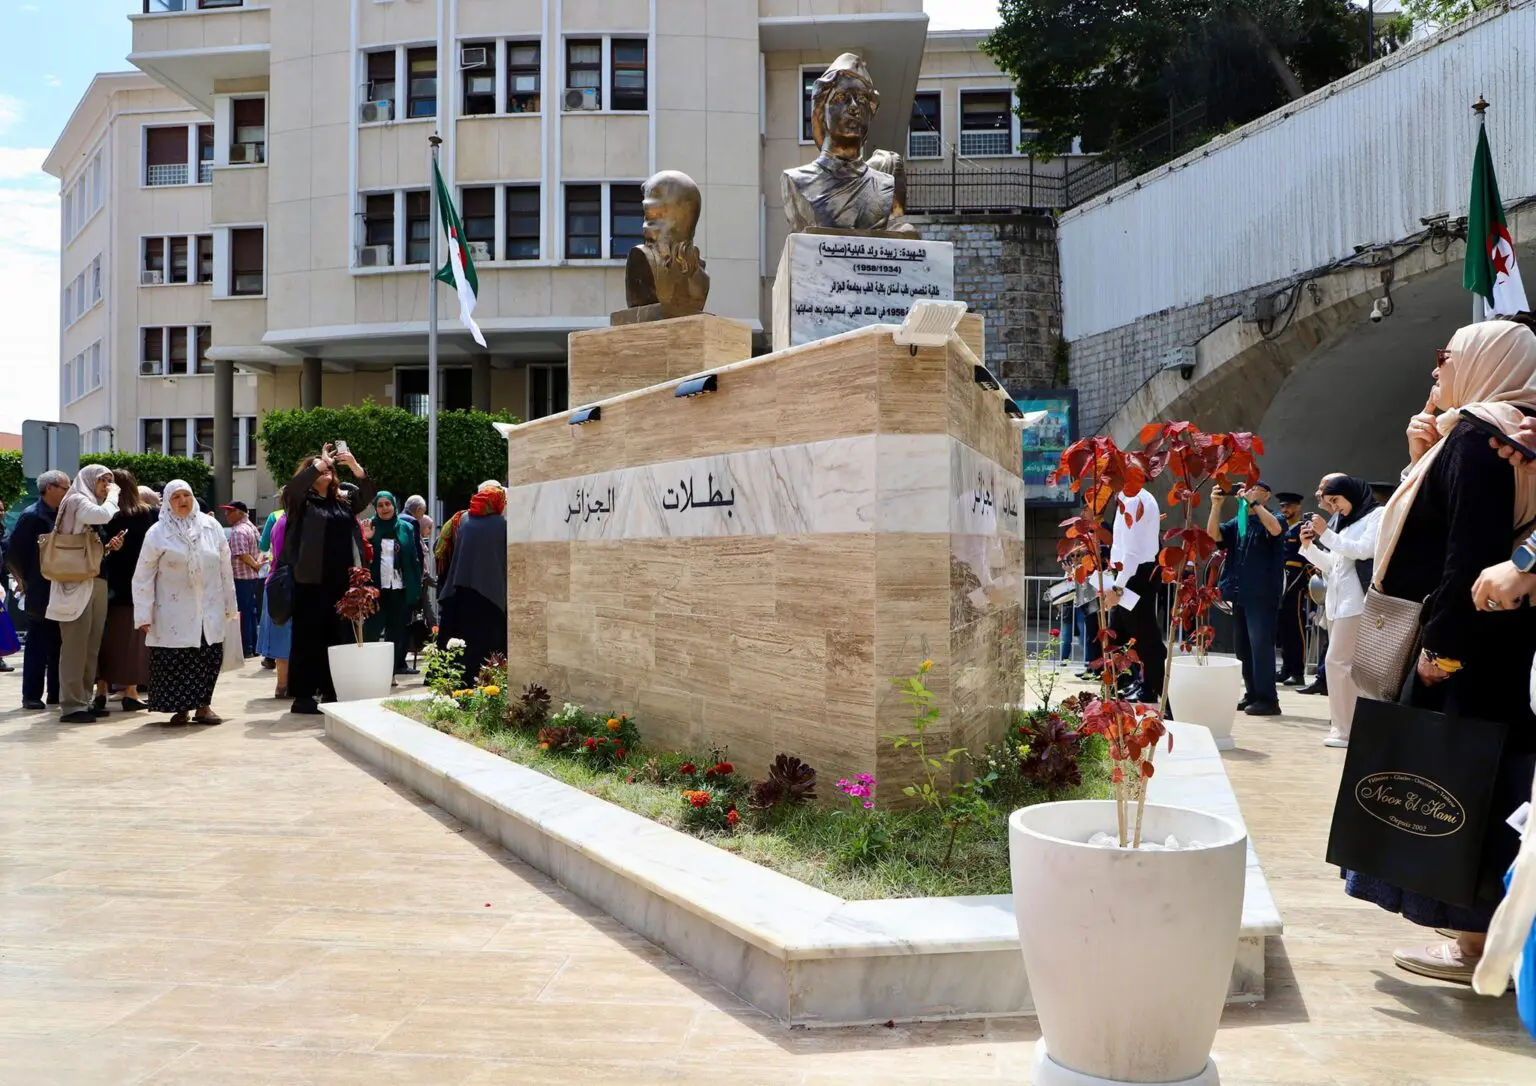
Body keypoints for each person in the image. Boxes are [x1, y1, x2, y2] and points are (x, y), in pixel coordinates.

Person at [1346, 319, 1536, 985]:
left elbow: (1464, 555)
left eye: (1444, 358)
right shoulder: (1503, 431)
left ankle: (1472, 945)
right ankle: (1479, 939)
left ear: (1483, 361)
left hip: (1472, 649)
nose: (1434, 371)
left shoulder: (1483, 438)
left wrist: (1442, 653)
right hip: (1505, 646)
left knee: (1463, 785)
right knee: (1491, 783)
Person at [133, 481, 238, 726]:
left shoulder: (211, 527)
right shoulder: (158, 532)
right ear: (168, 502)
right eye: (177, 496)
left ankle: (203, 707)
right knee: (175, 658)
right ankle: (180, 709)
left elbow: (225, 568)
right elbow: (143, 575)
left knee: (206, 656)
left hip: (208, 606)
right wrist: (143, 613)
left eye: (187, 495)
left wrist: (229, 605)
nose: (183, 501)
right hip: (171, 609)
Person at [282, 445, 375, 715]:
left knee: (337, 635)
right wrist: (319, 464)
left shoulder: (342, 501)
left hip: (340, 581)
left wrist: (356, 466)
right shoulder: (301, 501)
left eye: (329, 468)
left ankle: (332, 689)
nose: (327, 470)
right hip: (309, 581)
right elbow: (292, 489)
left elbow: (368, 494)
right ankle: (303, 695)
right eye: (321, 468)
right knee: (308, 637)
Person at [1298, 475, 1382, 748]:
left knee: (1336, 663)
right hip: (1337, 602)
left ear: (1352, 495)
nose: (1333, 507)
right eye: (1329, 501)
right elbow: (1332, 565)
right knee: (1344, 667)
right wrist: (1309, 546)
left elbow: (1364, 550)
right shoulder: (1342, 523)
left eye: (1336, 500)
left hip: (1356, 601)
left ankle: (1343, 729)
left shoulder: (1375, 515)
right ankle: (1350, 726)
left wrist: (1327, 534)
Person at [48, 466, 124, 724]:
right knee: (75, 647)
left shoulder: (88, 503)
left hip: (94, 581)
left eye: (109, 481)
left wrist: (108, 548)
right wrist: (114, 494)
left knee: (91, 647)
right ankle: (71, 705)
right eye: (102, 481)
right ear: (89, 480)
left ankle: (83, 700)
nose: (106, 485)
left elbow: (87, 549)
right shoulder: (78, 500)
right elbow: (103, 515)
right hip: (75, 585)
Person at [1207, 480, 1286, 716]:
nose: (1247, 494)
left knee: (1261, 645)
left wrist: (1253, 502)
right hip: (1240, 593)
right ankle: (1252, 693)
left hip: (1262, 594)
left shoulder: (1275, 517)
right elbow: (1214, 535)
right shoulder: (1240, 521)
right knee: (1243, 648)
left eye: (1255, 490)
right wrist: (1216, 505)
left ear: (1267, 495)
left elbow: (1275, 529)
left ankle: (1268, 698)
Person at [3, 471, 68, 709]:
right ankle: (31, 695)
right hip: (40, 588)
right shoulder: (31, 517)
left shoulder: (64, 514)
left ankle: (56, 693)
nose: (68, 492)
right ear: (49, 488)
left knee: (58, 643)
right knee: (38, 643)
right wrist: (27, 580)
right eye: (64, 487)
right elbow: (14, 554)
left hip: (62, 586)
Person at [95, 470, 156, 712]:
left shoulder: (103, 513)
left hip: (106, 582)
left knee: (102, 639)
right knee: (132, 642)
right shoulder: (148, 514)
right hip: (136, 585)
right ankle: (130, 691)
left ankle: (100, 689)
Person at [437, 480, 508, 679]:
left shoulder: (465, 519)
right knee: (491, 649)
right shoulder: (503, 525)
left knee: (467, 649)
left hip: (462, 593)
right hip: (492, 597)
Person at [1104, 487, 1165, 703]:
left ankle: (1164, 694)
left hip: (1135, 576)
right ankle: (1121, 690)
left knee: (1146, 639)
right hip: (1130, 574)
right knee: (1117, 634)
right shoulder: (1129, 497)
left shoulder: (1133, 499)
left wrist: (1118, 589)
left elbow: (1131, 552)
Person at [365, 491, 422, 676]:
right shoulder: (369, 526)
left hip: (398, 587)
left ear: (394, 506)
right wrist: (367, 539)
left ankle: (390, 673)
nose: (384, 509)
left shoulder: (406, 528)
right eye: (380, 505)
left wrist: (415, 588)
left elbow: (413, 559)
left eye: (387, 504)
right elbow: (363, 558)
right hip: (376, 589)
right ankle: (371, 671)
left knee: (395, 633)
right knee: (372, 631)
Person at [1275, 491, 1311, 687]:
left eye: (1288, 506)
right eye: (1282, 506)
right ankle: (1286, 668)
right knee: (1283, 628)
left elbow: (1307, 557)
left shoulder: (1303, 528)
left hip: (1295, 581)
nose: (1284, 510)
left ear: (1298, 507)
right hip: (1280, 581)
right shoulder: (1281, 528)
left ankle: (1298, 671)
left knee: (1295, 627)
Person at [256, 510, 292, 698]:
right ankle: (285, 684)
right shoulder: (297, 519)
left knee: (280, 632)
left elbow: (263, 545)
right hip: (287, 583)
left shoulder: (276, 518)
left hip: (275, 579)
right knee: (287, 634)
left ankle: (282, 685)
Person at [222, 500, 262, 658]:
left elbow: (243, 554)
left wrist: (255, 565)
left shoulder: (238, 531)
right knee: (251, 612)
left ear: (240, 512)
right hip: (252, 578)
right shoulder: (252, 528)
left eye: (230, 511)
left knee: (243, 614)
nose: (227, 515)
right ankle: (254, 647)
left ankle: (247, 648)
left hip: (241, 578)